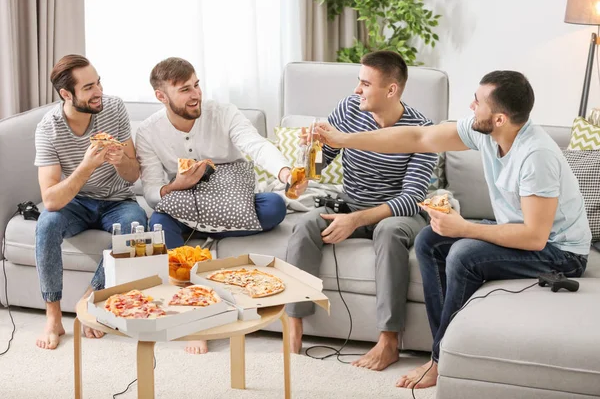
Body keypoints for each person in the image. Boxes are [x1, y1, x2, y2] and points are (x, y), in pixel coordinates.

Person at [315, 70, 591, 388]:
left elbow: (534, 236)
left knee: (462, 253)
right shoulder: (485, 132)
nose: (470, 106)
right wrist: (343, 139)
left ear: (499, 118)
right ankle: (445, 349)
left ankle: (439, 361)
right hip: (523, 233)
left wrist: (465, 228)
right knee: (430, 239)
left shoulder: (535, 156)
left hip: (562, 252)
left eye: (478, 102)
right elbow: (417, 138)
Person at [285, 50, 438, 371]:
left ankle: (389, 340)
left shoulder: (423, 130)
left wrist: (356, 220)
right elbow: (322, 161)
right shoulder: (349, 110)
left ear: (392, 90)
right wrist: (308, 152)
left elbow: (412, 197)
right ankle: (294, 323)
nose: (357, 90)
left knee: (389, 230)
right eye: (359, 82)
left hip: (399, 216)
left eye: (365, 84)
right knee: (306, 225)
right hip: (351, 203)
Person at [135, 57, 296, 354]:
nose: (196, 94)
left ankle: (203, 238)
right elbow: (153, 191)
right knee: (157, 224)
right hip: (186, 199)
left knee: (274, 206)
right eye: (185, 90)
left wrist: (285, 172)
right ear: (161, 96)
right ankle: (194, 315)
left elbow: (255, 145)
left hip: (232, 196)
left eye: (196, 85)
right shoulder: (147, 131)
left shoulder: (224, 113)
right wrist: (178, 185)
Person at [34, 54, 147, 350]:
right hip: (75, 202)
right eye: (88, 88)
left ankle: (89, 300)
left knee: (136, 227)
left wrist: (122, 160)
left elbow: (133, 174)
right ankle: (53, 317)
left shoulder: (114, 107)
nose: (98, 92)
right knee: (47, 224)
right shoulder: (49, 128)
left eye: (98, 82)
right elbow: (50, 200)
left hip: (117, 200)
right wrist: (86, 166)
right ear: (66, 94)